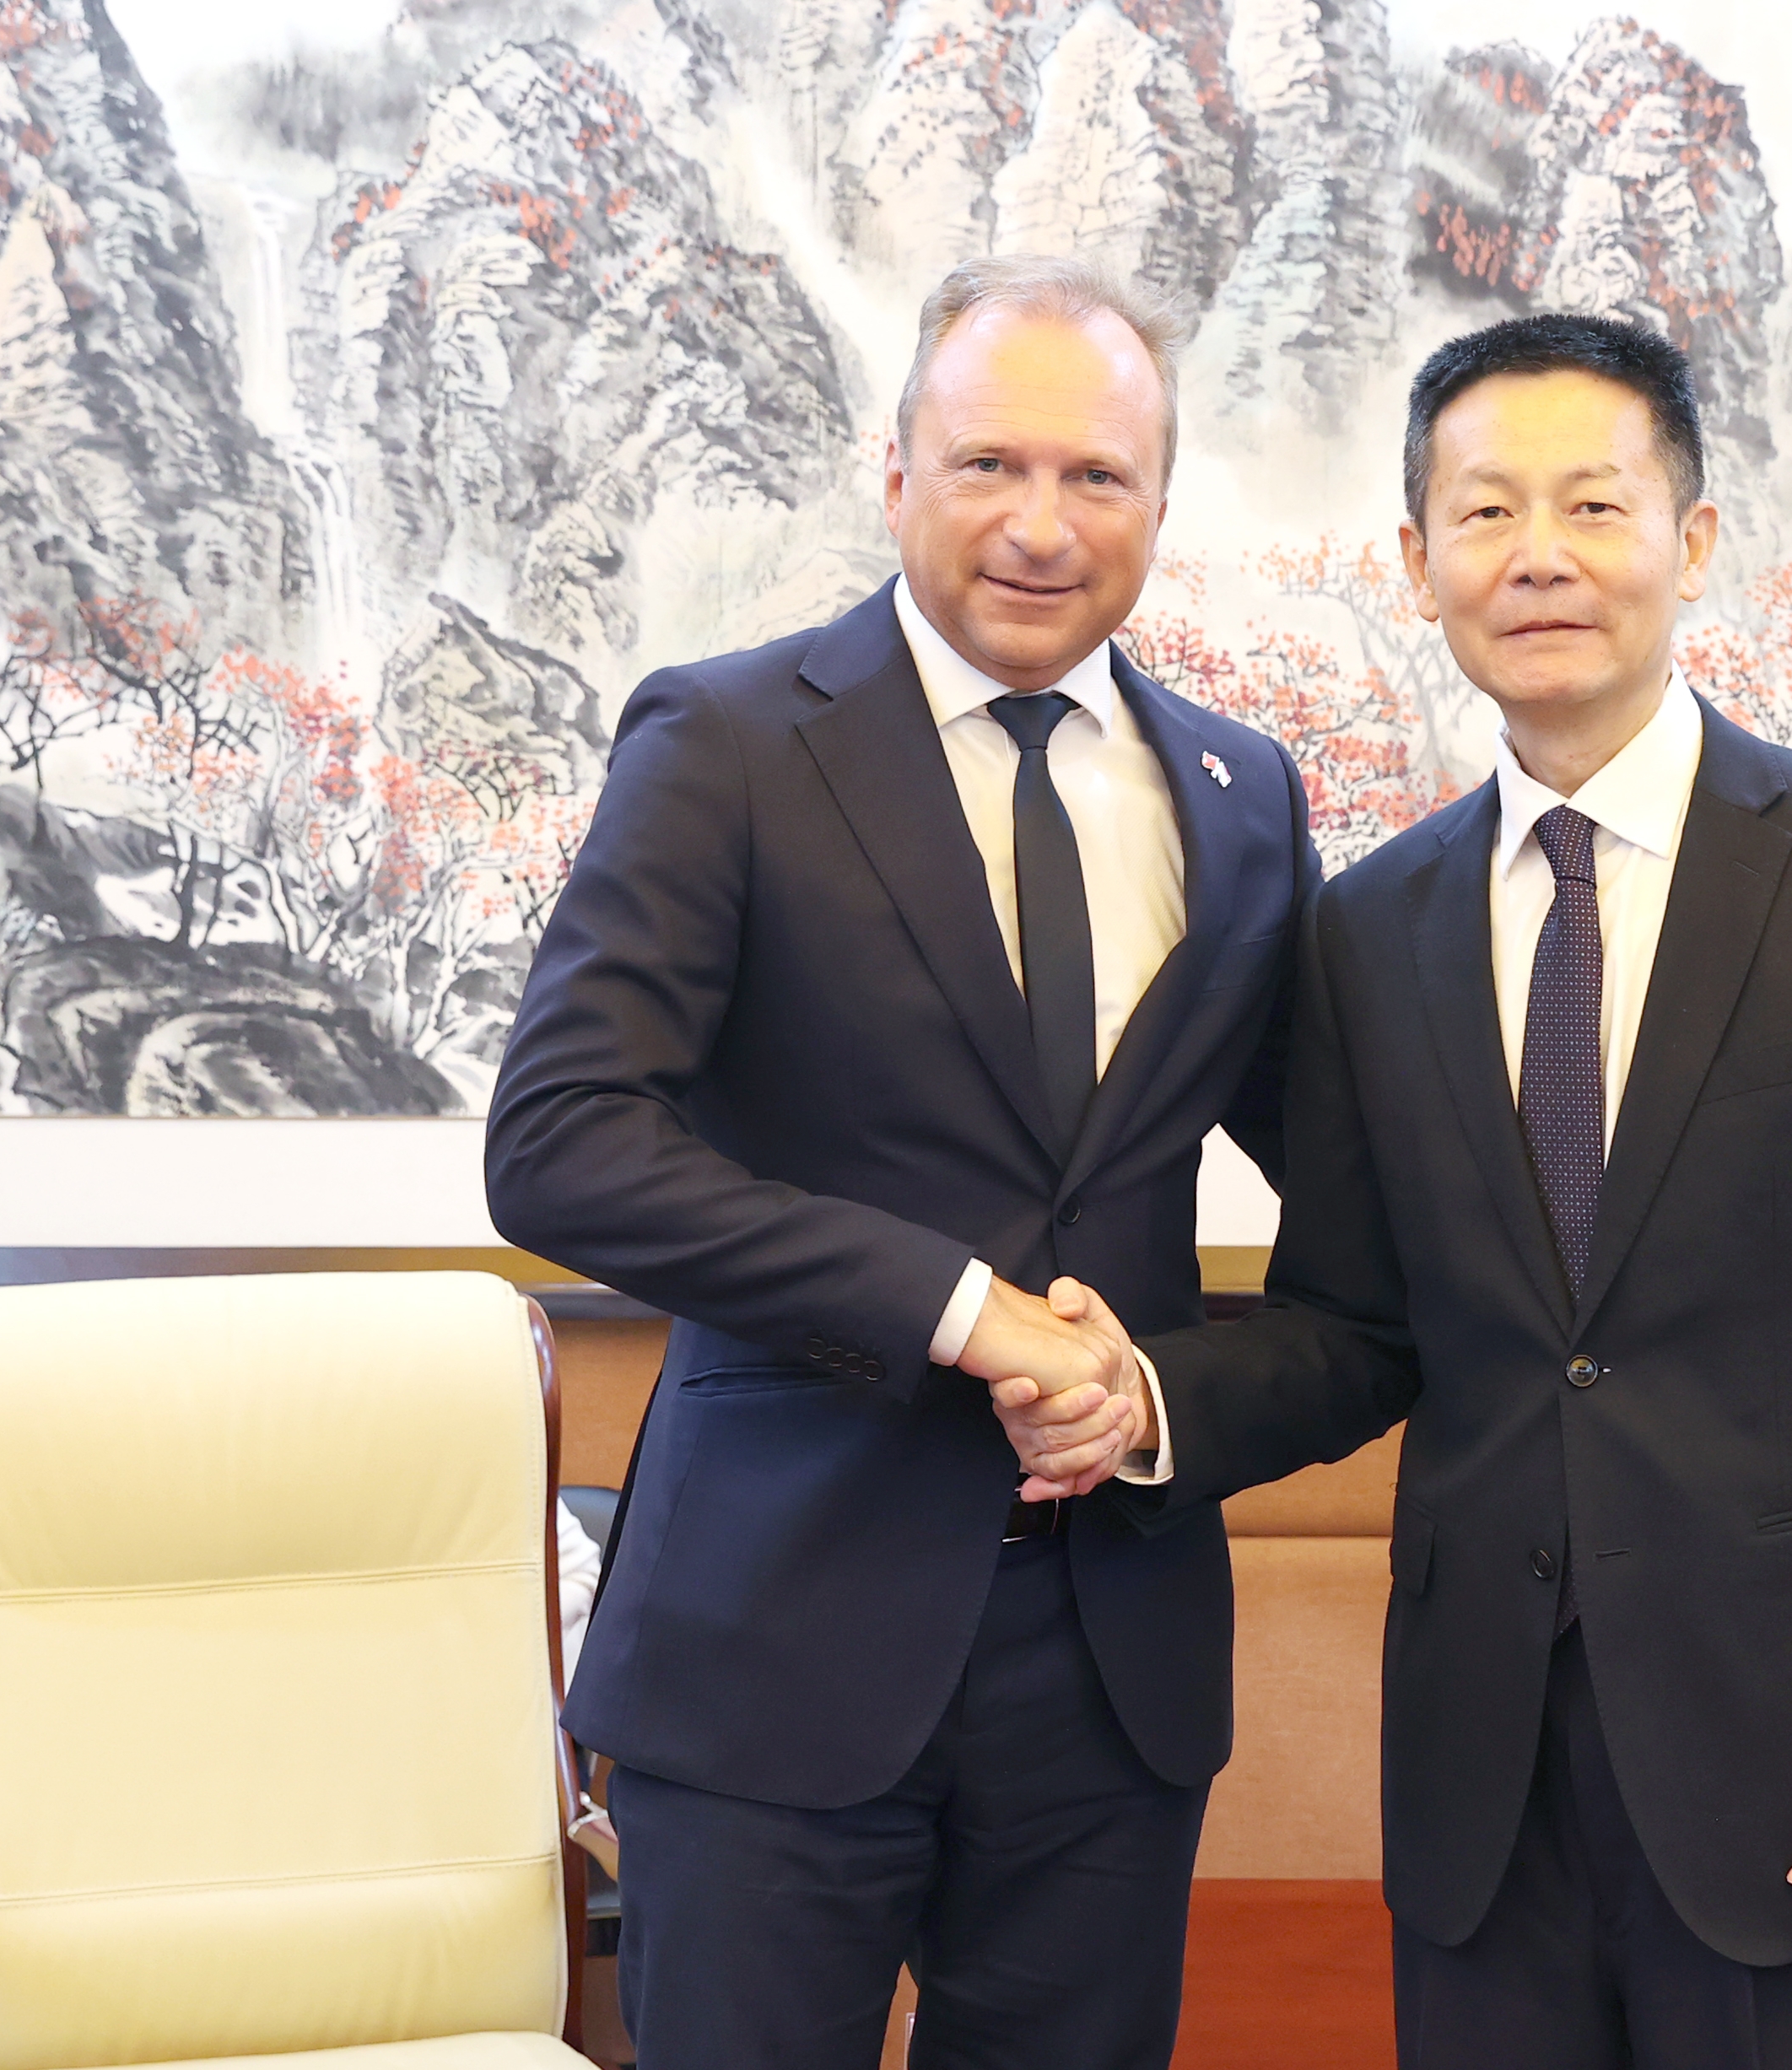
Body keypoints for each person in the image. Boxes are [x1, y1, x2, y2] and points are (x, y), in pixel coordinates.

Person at [1001, 312, 1792, 2065]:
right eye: (1484, 512)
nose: (1538, 557)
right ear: (1416, 564)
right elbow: (1358, 1323)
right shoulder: (1371, 925)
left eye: (1593, 505)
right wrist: (1143, 1399)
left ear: (1692, 538)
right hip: (1483, 1792)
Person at [484, 255, 1314, 2070]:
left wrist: (1155, 1402)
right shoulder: (727, 741)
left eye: (1095, 475)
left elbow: (1364, 1219)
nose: (1040, 524)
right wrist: (960, 1309)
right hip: (774, 1639)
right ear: (894, 474)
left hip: (1111, 1663)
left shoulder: (1244, 798)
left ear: (1159, 502)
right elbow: (559, 1145)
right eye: (986, 464)